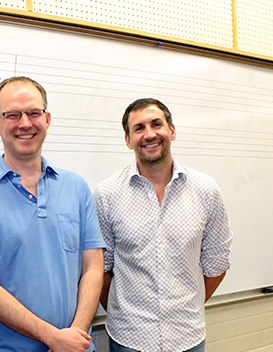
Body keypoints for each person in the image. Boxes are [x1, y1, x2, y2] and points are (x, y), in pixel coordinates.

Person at [0, 76, 105, 351]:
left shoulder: (77, 187)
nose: (24, 123)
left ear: (47, 119)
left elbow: (93, 268)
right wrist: (54, 338)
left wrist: (75, 335)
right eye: (12, 114)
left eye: (34, 113)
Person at [93, 98, 233, 352]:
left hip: (187, 338)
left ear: (172, 130)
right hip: (128, 340)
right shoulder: (107, 194)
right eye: (139, 128)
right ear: (128, 140)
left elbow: (217, 264)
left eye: (156, 124)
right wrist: (124, 311)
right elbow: (101, 270)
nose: (149, 134)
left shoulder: (206, 190)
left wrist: (184, 307)